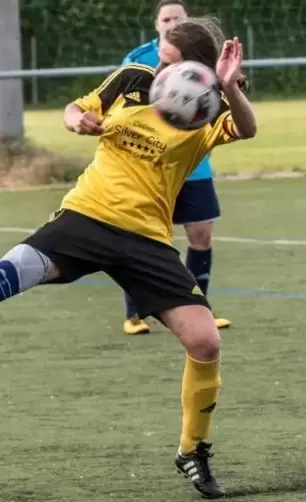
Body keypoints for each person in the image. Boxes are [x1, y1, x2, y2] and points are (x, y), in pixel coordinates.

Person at [0, 21, 256, 500]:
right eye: (158, 56)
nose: (159, 69)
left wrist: (231, 86)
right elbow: (77, 109)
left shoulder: (208, 103)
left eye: (169, 62)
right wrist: (78, 120)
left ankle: (192, 451)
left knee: (205, 341)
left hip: (146, 239)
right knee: (10, 271)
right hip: (85, 215)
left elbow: (246, 128)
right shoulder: (134, 78)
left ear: (194, 69)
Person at [120, 0, 230, 335]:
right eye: (165, 18)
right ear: (157, 24)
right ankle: (134, 313)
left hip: (195, 167)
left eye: (177, 18)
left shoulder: (203, 58)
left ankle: (200, 310)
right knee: (144, 237)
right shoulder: (138, 60)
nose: (171, 23)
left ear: (187, 22)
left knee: (201, 234)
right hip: (152, 167)